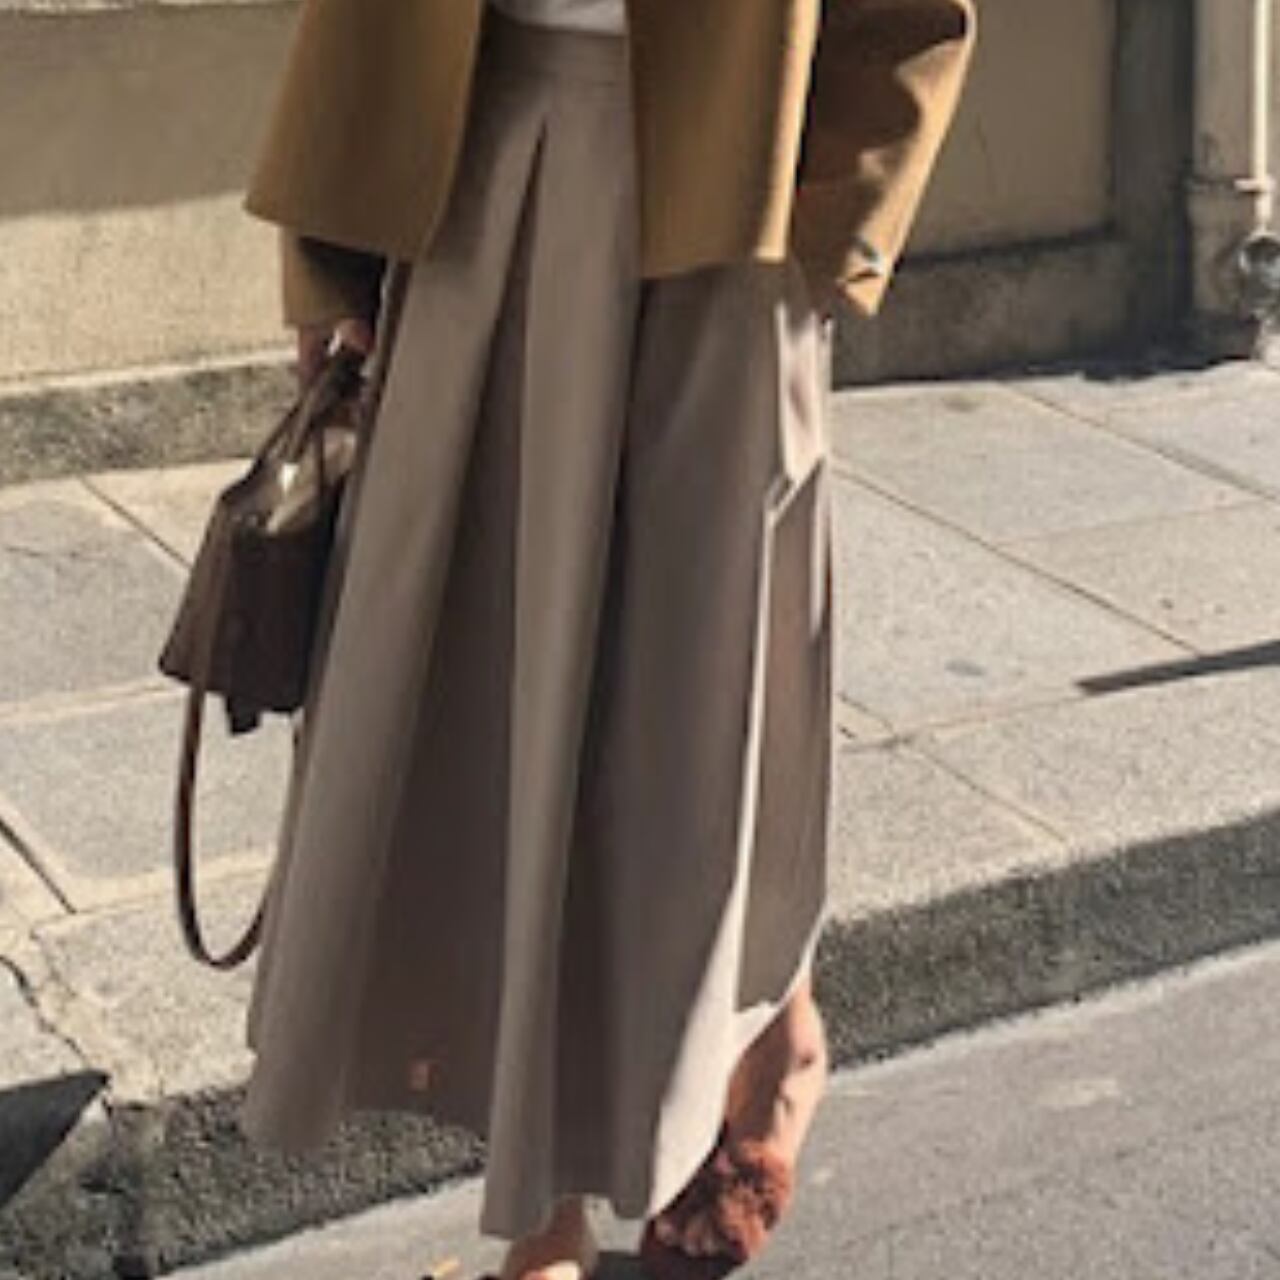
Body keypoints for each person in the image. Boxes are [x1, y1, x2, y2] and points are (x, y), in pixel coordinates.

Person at [236, 3, 975, 1278]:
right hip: (478, 168)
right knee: (490, 699)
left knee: (682, 700)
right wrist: (329, 247)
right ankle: (545, 1207)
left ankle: (771, 1037)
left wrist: (830, 231)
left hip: (733, 199)